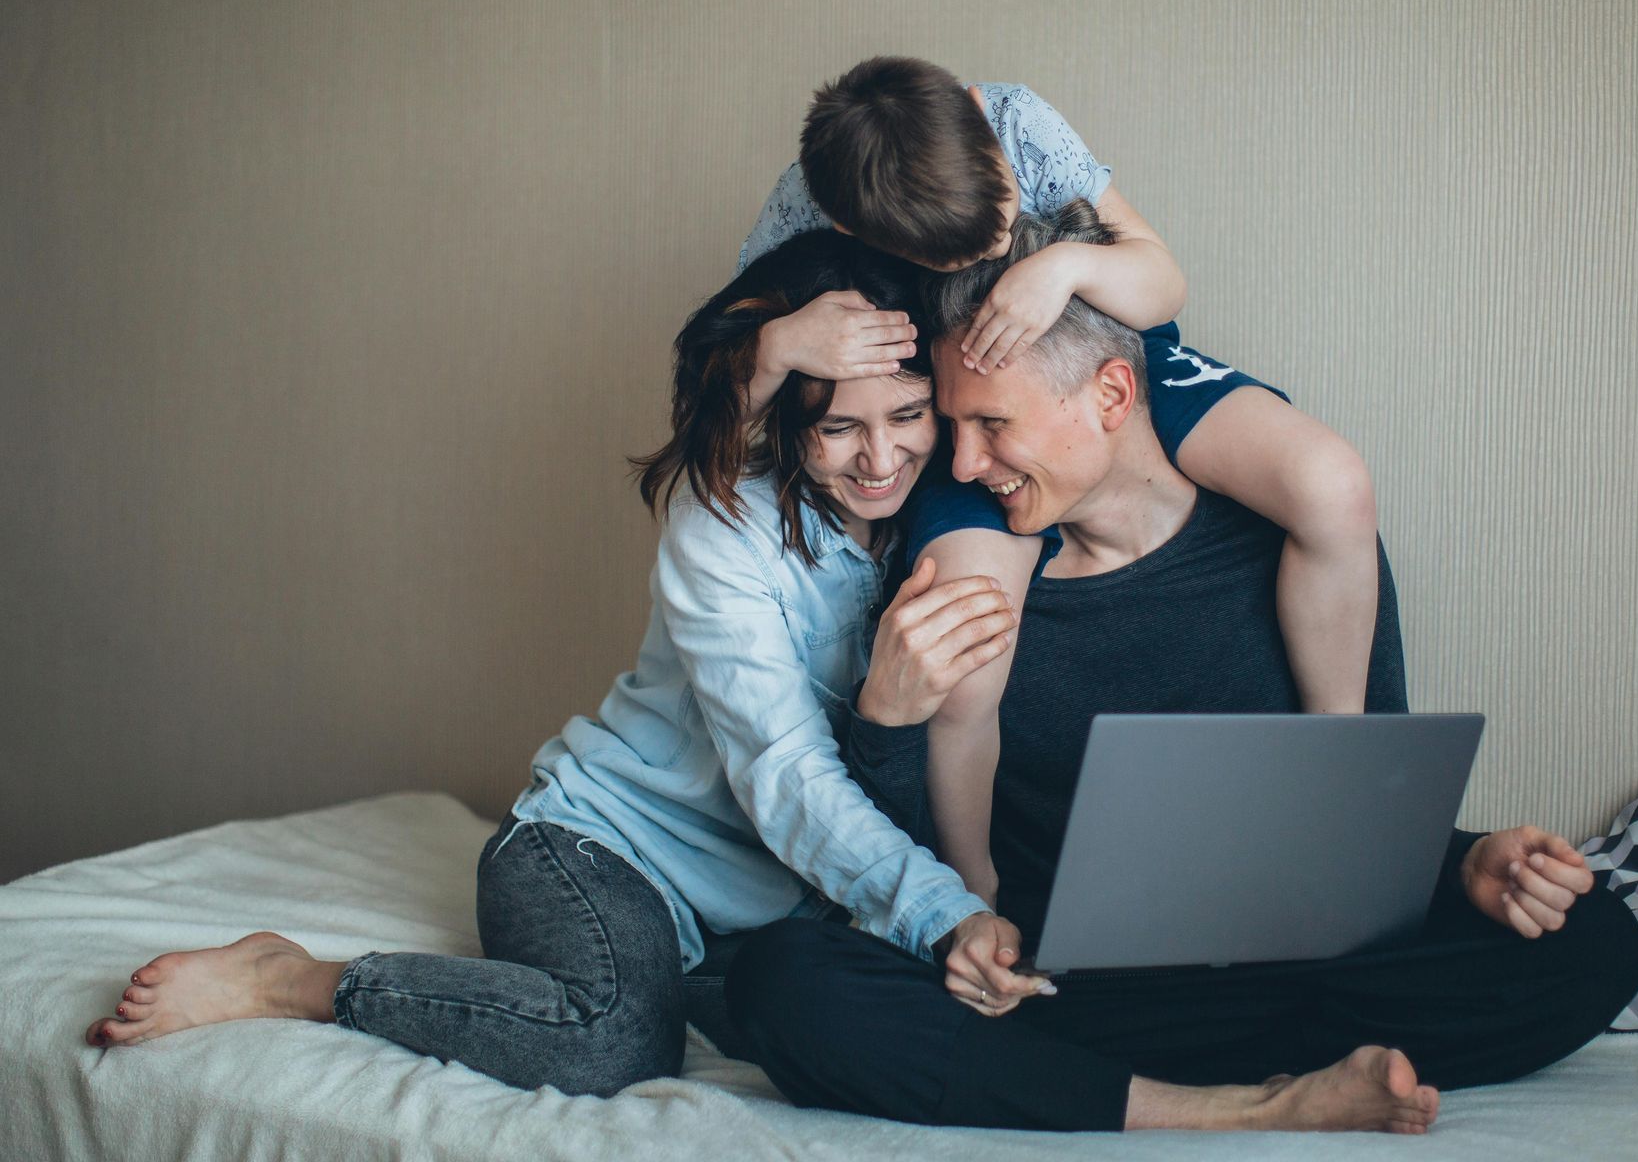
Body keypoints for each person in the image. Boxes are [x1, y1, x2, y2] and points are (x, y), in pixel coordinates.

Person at [722, 205, 1638, 1135]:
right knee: (783, 985)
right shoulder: (963, 579)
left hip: (1289, 970)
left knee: (1595, 940)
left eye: (994, 425)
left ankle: (1105, 1087)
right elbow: (904, 870)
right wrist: (886, 723)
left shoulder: (1294, 551)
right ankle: (1251, 1105)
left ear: (1113, 397)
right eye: (956, 426)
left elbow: (1345, 817)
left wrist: (1462, 868)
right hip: (1065, 986)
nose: (962, 463)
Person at [81, 232, 1014, 1096]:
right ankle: (292, 977)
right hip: (598, 850)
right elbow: (785, 773)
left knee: (851, 1022)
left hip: (761, 914)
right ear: (790, 423)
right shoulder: (724, 526)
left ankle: (677, 985)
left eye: (906, 414)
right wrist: (941, 910)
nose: (881, 456)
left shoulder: (941, 523)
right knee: (613, 1040)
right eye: (839, 429)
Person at [741, 55, 1383, 908]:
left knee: (1331, 484)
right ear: (854, 230)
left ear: (981, 121)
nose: (993, 253)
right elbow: (724, 386)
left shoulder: (1019, 118)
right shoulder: (802, 212)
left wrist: (1067, 268)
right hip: (965, 397)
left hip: (1106, 351)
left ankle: (1338, 760)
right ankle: (972, 892)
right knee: (969, 660)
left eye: (999, 223)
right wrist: (781, 342)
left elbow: (1162, 278)